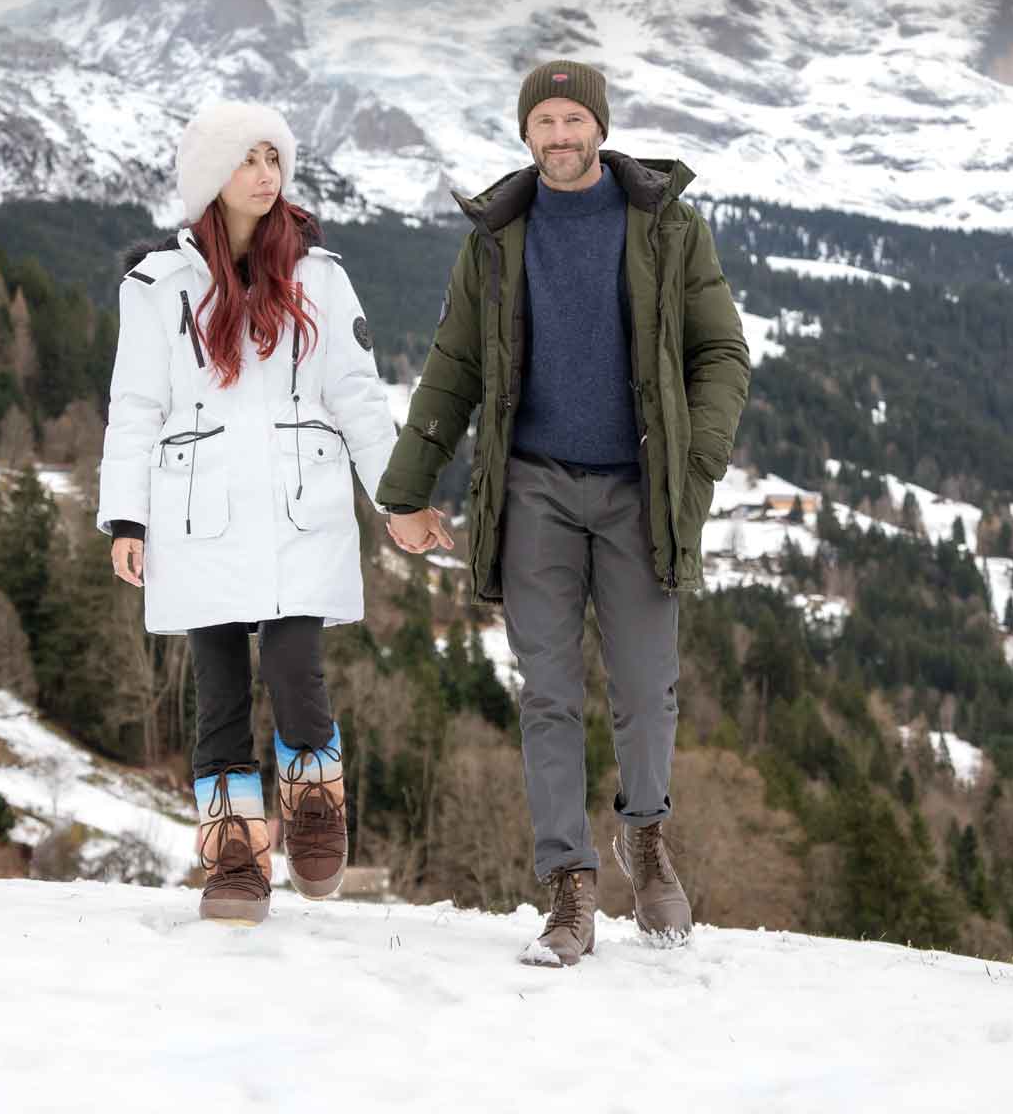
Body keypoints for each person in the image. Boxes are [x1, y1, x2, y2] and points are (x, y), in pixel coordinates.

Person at [376, 60, 751, 966]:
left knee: (645, 689)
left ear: (600, 127)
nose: (559, 134)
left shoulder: (665, 225)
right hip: (534, 488)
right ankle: (569, 886)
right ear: (525, 132)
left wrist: (693, 475)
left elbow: (721, 354)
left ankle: (646, 840)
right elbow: (457, 364)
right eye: (543, 119)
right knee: (548, 694)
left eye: (573, 118)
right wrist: (406, 488)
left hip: (640, 491)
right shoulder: (498, 238)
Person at [97, 99, 396, 925]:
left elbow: (359, 400)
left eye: (274, 158)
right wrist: (127, 519)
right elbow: (135, 405)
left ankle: (313, 800)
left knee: (297, 672)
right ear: (210, 178)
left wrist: (396, 501)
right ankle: (234, 854)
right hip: (198, 513)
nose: (266, 175)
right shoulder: (156, 287)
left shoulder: (320, 276)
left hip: (302, 507)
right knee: (220, 688)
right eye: (247, 160)